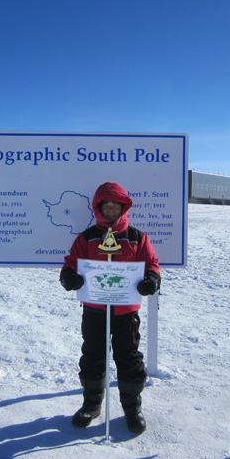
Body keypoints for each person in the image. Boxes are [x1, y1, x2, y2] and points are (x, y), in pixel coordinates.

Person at [60, 182, 160, 433]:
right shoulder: (86, 237)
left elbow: (152, 264)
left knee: (129, 358)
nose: (111, 207)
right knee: (93, 357)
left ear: (123, 207)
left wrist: (151, 280)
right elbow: (70, 263)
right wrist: (69, 277)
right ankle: (92, 405)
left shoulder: (137, 237)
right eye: (107, 204)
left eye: (116, 203)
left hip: (126, 312)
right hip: (94, 310)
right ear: (99, 207)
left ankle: (131, 408)